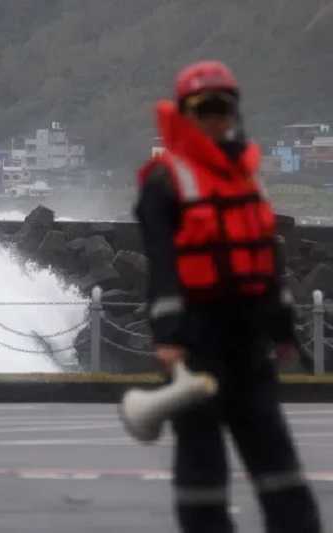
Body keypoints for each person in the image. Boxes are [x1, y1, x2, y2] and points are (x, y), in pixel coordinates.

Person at [135, 60, 322, 533]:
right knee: (202, 474)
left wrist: (282, 329)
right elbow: (163, 267)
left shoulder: (248, 176)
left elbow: (266, 258)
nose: (216, 117)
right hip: (197, 345)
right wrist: (169, 336)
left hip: (248, 346)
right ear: (185, 113)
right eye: (204, 107)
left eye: (225, 106)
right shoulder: (165, 182)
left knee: (279, 467)